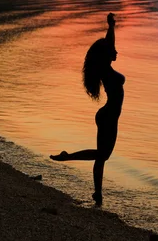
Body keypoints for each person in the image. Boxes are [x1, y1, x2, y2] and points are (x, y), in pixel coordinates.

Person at [50, 13, 125, 206]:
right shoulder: (104, 70)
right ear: (106, 54)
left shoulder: (105, 66)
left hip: (109, 116)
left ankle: (98, 194)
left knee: (102, 156)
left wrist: (111, 27)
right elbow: (107, 46)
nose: (116, 51)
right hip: (108, 116)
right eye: (113, 50)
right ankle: (69, 157)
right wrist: (110, 31)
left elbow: (108, 43)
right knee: (102, 155)